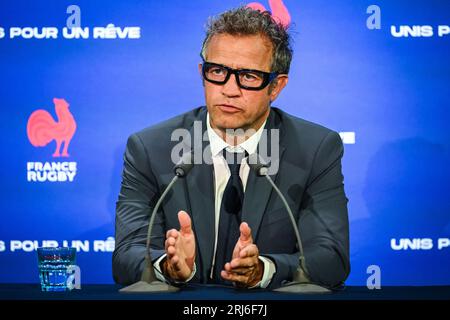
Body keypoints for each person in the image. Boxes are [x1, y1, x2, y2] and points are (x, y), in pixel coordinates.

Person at [113, 7, 350, 290]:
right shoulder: (152, 148)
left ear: (276, 87)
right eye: (218, 71)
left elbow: (330, 258)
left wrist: (264, 269)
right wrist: (167, 266)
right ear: (202, 73)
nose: (229, 89)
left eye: (248, 76)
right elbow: (127, 254)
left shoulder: (315, 150)